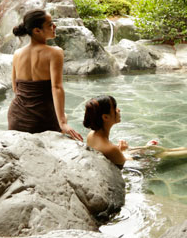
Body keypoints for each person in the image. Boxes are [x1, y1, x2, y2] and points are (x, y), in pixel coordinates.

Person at [7, 9, 82, 141]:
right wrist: (63, 122)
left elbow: (15, 88)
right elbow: (57, 87)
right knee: (64, 116)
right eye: (50, 24)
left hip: (16, 118)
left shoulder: (17, 54)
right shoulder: (55, 53)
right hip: (42, 119)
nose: (55, 26)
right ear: (37, 30)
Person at [83, 95, 128, 168]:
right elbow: (127, 163)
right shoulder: (111, 149)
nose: (118, 110)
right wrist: (123, 151)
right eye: (115, 108)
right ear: (105, 117)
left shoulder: (91, 135)